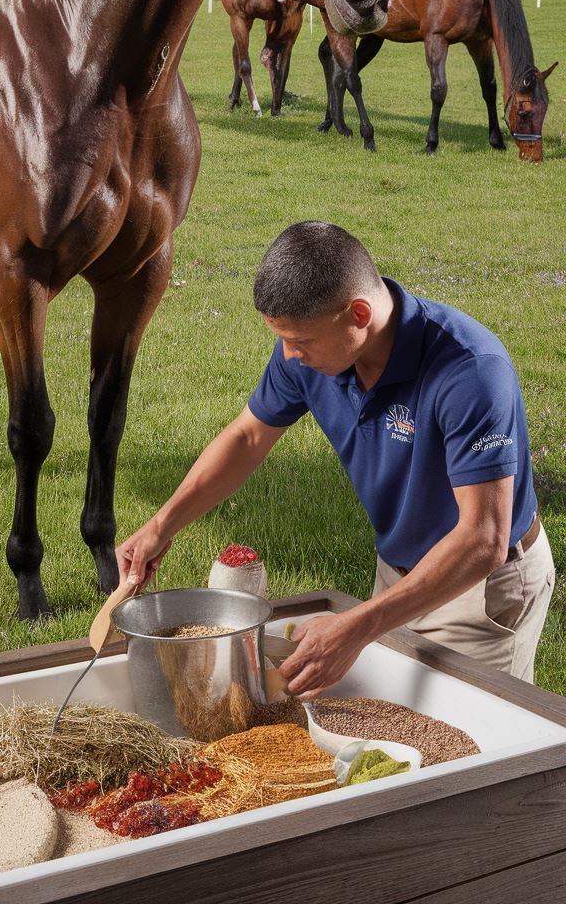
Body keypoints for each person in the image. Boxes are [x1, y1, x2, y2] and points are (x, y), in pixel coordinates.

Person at [116, 222, 555, 691]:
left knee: (472, 749)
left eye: (299, 341)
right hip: (398, 573)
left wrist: (356, 627)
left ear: (358, 314)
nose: (288, 355)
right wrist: (162, 525)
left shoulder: (470, 372)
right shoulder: (311, 354)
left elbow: (482, 539)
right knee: (386, 729)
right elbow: (247, 438)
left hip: (479, 587)